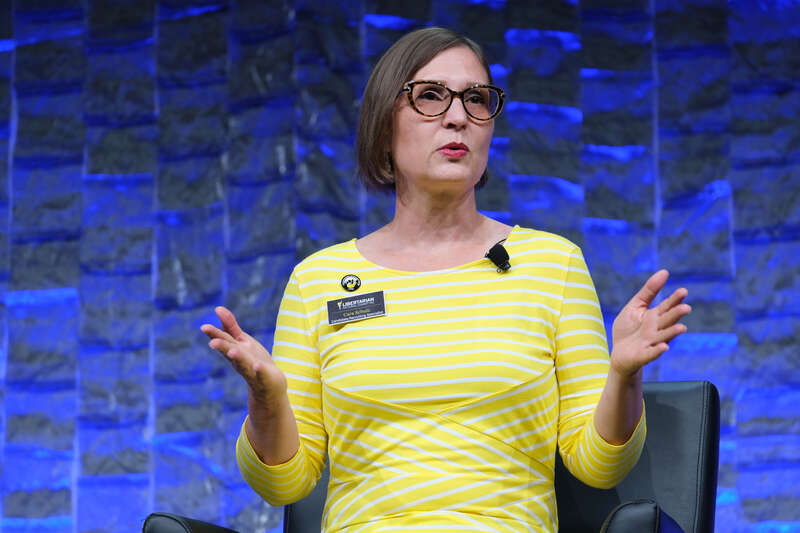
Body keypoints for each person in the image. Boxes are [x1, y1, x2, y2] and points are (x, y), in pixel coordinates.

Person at [201, 27, 691, 533]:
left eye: (476, 99)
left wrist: (623, 375)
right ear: (383, 125)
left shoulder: (553, 264)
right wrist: (266, 402)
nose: (458, 116)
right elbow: (285, 484)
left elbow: (598, 467)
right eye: (431, 96)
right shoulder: (318, 281)